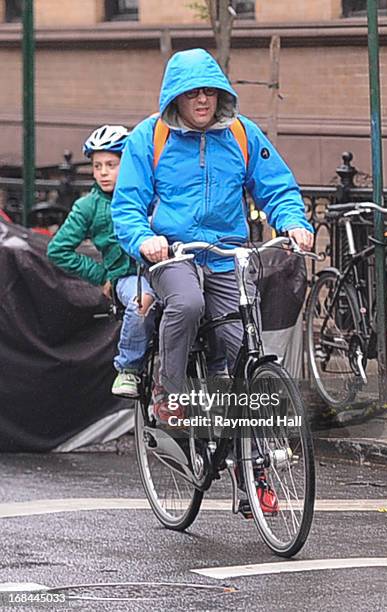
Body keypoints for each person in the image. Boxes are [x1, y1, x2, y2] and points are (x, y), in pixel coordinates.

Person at [111, 48, 314, 420]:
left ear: (221, 92)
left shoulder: (241, 133)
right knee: (188, 304)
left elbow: (277, 187)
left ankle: (248, 459)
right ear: (175, 97)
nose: (202, 99)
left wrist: (293, 222)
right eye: (192, 93)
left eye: (209, 90)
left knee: (244, 345)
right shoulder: (148, 137)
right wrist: (144, 240)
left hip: (227, 254)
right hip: (174, 253)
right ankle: (168, 389)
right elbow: (127, 207)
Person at [47, 125, 156, 399]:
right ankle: (128, 367)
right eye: (97, 166)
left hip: (163, 270)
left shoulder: (150, 195)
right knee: (141, 302)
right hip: (128, 277)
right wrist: (101, 275)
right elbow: (58, 249)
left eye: (111, 164)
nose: (103, 172)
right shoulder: (88, 207)